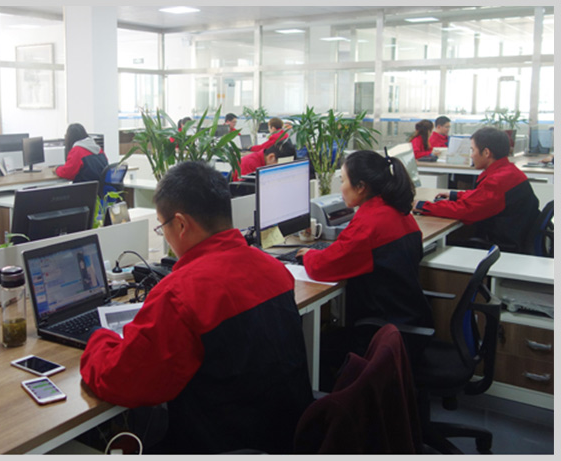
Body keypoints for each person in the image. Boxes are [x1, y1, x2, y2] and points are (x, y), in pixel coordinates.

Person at [81, 161, 314, 454]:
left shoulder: (179, 295)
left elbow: (121, 381)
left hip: (219, 445)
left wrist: (98, 338)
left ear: (180, 224)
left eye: (162, 226)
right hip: (289, 438)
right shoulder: (274, 269)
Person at [296, 150, 432, 389]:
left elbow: (322, 268)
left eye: (343, 181)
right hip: (407, 324)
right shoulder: (398, 211)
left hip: (381, 334)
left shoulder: (369, 224)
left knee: (309, 346)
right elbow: (349, 251)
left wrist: (308, 254)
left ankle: (337, 406)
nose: (341, 188)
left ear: (361, 187)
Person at [413, 127, 540, 254]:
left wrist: (422, 206)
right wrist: (455, 195)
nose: (471, 155)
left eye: (473, 150)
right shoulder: (509, 171)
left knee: (431, 247)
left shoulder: (497, 181)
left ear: (486, 153)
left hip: (501, 246)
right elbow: (482, 197)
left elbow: (466, 210)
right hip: (513, 237)